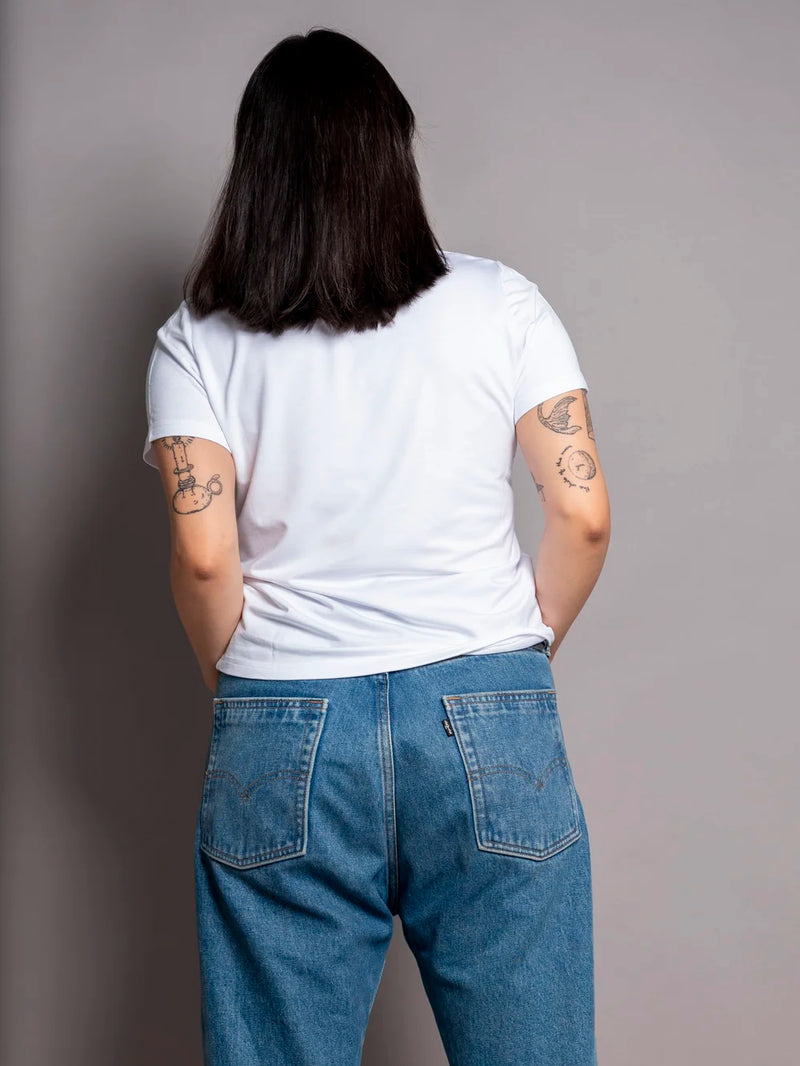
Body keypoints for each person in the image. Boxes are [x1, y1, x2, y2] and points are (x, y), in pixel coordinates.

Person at [142, 26, 610, 1066]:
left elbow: (206, 558)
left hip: (284, 717)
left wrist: (245, 686)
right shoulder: (502, 304)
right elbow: (582, 516)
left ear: (255, 168)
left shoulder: (196, 339)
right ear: (393, 156)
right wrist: (515, 655)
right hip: (486, 702)